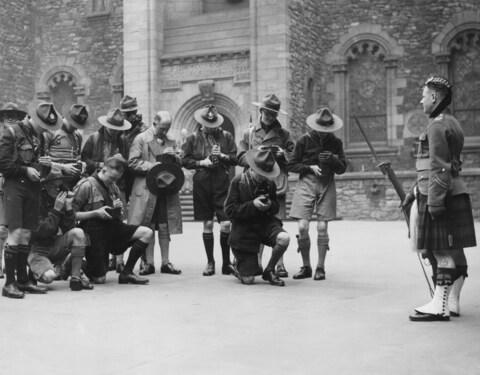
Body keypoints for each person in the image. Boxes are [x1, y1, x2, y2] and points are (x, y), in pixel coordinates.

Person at [407, 76, 476, 322]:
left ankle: (440, 305)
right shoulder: (452, 122)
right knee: (455, 250)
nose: (421, 99)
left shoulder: (436, 125)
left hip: (440, 193)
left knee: (440, 250)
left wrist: (434, 200)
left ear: (434, 97)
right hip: (455, 190)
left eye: (424, 95)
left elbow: (439, 167)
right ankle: (452, 302)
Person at [0, 102, 62, 298]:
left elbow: (39, 168)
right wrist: (25, 169)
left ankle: (23, 280)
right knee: (15, 233)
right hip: (15, 187)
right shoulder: (10, 132)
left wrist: (46, 166)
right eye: (42, 126)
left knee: (26, 234)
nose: (45, 130)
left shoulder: (39, 137)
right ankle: (9, 284)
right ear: (32, 119)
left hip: (32, 188)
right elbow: (3, 164)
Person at [73, 151, 153, 285]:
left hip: (112, 228)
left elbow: (120, 217)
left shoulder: (113, 187)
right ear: (103, 169)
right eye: (111, 178)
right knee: (99, 279)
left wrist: (118, 209)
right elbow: (71, 215)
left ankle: (126, 273)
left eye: (116, 179)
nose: (113, 182)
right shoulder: (86, 185)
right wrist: (95, 213)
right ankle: (73, 264)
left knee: (147, 233)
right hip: (93, 233)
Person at [237, 94, 294, 278]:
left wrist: (283, 154)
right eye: (267, 112)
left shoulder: (284, 134)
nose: (269, 116)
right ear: (261, 111)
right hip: (255, 183)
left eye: (273, 113)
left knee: (276, 222)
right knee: (256, 223)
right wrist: (255, 155)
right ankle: (258, 263)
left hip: (276, 183)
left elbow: (295, 159)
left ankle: (279, 263)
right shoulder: (250, 132)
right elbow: (239, 156)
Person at [288, 107, 346, 281]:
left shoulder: (336, 143)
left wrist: (333, 160)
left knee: (322, 227)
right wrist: (309, 167)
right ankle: (306, 266)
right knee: (302, 227)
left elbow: (342, 168)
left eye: (326, 130)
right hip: (306, 182)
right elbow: (291, 165)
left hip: (327, 183)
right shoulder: (303, 141)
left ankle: (320, 267)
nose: (323, 133)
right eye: (321, 130)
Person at [182, 105, 237, 276]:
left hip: (221, 181)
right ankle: (210, 262)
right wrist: (201, 163)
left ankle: (226, 263)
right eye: (207, 124)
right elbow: (184, 160)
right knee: (207, 223)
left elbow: (236, 158)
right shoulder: (193, 138)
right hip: (202, 182)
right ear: (201, 122)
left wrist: (222, 156)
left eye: (212, 124)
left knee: (226, 223)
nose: (210, 127)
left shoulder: (226, 136)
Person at [224, 149, 290, 286]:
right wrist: (252, 205)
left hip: (264, 224)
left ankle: (270, 270)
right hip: (244, 232)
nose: (263, 177)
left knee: (284, 238)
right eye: (261, 174)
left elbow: (276, 207)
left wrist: (270, 205)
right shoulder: (238, 182)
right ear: (252, 169)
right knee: (249, 280)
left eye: (266, 175)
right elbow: (229, 210)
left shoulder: (269, 184)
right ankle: (237, 267)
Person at [128, 110, 182, 275]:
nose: (165, 132)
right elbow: (132, 162)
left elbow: (180, 162)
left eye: (168, 128)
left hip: (166, 188)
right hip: (147, 189)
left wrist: (175, 158)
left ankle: (166, 262)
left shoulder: (171, 140)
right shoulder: (141, 139)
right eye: (162, 128)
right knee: (148, 225)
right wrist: (153, 166)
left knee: (165, 225)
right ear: (155, 122)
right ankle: (149, 263)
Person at [81, 107, 131, 272]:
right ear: (106, 126)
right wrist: (100, 165)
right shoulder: (94, 138)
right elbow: (84, 159)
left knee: (118, 216)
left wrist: (120, 163)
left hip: (117, 185)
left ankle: (118, 260)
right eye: (112, 129)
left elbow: (127, 163)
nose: (115, 132)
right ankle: (95, 258)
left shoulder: (123, 140)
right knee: (98, 219)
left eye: (118, 129)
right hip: (97, 184)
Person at [28, 170, 93, 291]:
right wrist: (56, 210)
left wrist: (68, 208)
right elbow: (42, 232)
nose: (58, 190)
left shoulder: (60, 200)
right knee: (49, 277)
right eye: (55, 186)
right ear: (45, 186)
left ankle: (75, 278)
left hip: (56, 245)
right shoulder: (36, 201)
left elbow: (70, 230)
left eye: (60, 186)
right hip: (37, 250)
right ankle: (46, 269)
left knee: (78, 233)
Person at [0, 103, 28, 279]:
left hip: (14, 184)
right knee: (2, 228)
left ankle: (15, 265)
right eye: (7, 115)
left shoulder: (19, 138)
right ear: (2, 119)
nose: (11, 118)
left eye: (15, 116)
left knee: (14, 227)